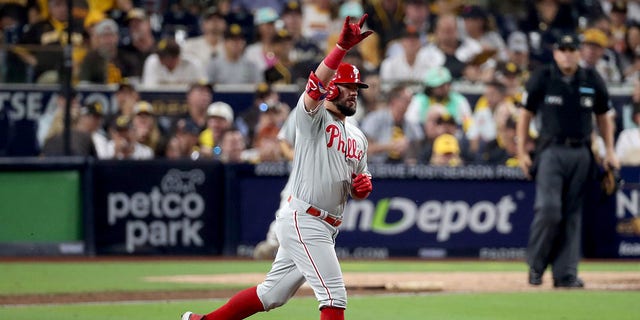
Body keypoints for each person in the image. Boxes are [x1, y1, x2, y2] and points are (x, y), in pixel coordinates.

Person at [181, 14, 373, 320]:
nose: (354, 91)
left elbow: (358, 181)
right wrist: (339, 48)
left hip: (327, 224)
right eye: (347, 86)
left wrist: (361, 187)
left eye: (357, 87)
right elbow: (314, 87)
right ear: (331, 88)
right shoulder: (313, 119)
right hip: (305, 218)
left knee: (271, 295)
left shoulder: (359, 137)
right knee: (334, 295)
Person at [516, 33, 619, 289]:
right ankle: (537, 264)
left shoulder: (591, 78)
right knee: (549, 209)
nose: (567, 53)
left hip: (581, 151)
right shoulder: (543, 76)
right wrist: (521, 152)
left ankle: (566, 273)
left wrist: (610, 151)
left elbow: (604, 115)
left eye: (572, 48)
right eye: (562, 49)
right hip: (551, 149)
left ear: (578, 52)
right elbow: (525, 114)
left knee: (573, 215)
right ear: (555, 53)